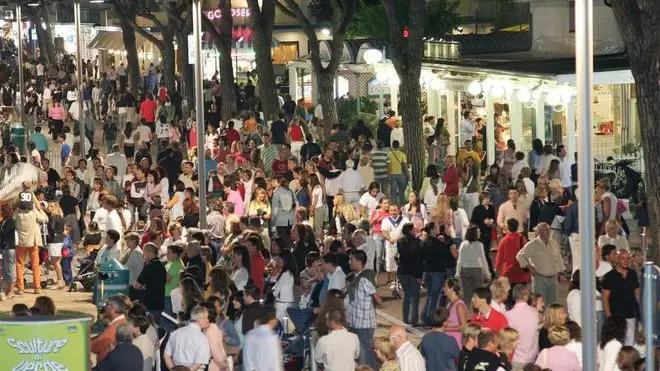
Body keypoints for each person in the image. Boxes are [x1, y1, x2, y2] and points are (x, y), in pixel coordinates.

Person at [346, 249, 382, 369]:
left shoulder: (365, 278)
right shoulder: (355, 277)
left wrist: (370, 308)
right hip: (357, 323)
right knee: (365, 355)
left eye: (351, 259)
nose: (349, 261)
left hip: (364, 324)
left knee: (365, 356)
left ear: (358, 261)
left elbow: (378, 299)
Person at [516, 222, 564, 304]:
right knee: (540, 304)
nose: (546, 232)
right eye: (543, 230)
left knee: (554, 304)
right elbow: (520, 256)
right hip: (540, 279)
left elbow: (558, 258)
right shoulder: (532, 244)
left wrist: (561, 272)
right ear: (538, 232)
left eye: (547, 230)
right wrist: (530, 267)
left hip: (553, 279)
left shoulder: (554, 243)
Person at [602, 249, 640, 346]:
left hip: (631, 314)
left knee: (629, 342)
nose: (626, 261)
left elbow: (637, 294)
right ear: (617, 260)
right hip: (615, 316)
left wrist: (640, 311)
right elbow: (605, 298)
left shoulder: (633, 274)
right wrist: (609, 316)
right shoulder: (609, 276)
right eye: (623, 259)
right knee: (615, 343)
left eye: (627, 259)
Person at [14, 197, 48, 294]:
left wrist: (16, 209)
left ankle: (20, 288)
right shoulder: (34, 212)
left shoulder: (18, 213)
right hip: (33, 241)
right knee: (35, 265)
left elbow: (12, 219)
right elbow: (45, 219)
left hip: (21, 242)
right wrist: (39, 209)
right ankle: (37, 287)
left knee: (20, 264)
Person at [164, 305, 211, 370]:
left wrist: (173, 369)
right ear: (200, 319)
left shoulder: (176, 333)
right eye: (206, 318)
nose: (208, 320)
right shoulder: (202, 338)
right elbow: (199, 362)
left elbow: (166, 355)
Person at [505, 284, 539, 370]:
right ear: (526, 296)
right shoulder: (535, 312)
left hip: (516, 357)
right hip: (532, 356)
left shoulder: (508, 315)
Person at [455, 225, 490, 304]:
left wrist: (457, 272)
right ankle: (476, 314)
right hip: (477, 270)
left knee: (467, 296)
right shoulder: (480, 245)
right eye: (478, 232)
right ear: (474, 233)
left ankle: (465, 313)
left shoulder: (463, 244)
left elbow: (460, 260)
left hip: (465, 270)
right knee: (477, 296)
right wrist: (487, 273)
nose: (480, 233)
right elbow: (483, 260)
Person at [396, 223, 423, 326]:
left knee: (407, 295)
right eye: (414, 229)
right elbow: (419, 260)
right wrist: (419, 276)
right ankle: (414, 320)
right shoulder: (417, 243)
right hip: (414, 272)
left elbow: (402, 255)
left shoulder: (400, 241)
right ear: (410, 231)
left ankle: (405, 318)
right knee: (415, 296)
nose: (415, 230)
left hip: (402, 271)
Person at [242, 306, 284, 371]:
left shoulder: (249, 334)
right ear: (272, 320)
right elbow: (275, 364)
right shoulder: (272, 337)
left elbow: (247, 362)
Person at [134, 243, 167, 323]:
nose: (143, 255)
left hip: (149, 304)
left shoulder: (149, 266)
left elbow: (137, 285)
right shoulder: (161, 266)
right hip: (159, 302)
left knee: (149, 329)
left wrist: (144, 287)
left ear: (149, 252)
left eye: (144, 252)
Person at [92, 295, 129, 362]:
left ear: (112, 308)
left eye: (106, 305)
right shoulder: (123, 321)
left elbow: (95, 347)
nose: (105, 307)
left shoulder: (115, 326)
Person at [495, 218, 530, 288]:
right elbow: (527, 255)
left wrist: (497, 269)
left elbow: (499, 257)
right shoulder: (522, 239)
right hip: (521, 272)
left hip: (508, 272)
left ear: (507, 227)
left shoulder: (504, 240)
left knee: (509, 296)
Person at [0, 204, 16, 300]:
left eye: (2, 210)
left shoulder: (10, 221)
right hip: (3, 248)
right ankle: (6, 289)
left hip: (9, 248)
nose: (0, 212)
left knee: (10, 269)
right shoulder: (3, 221)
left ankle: (12, 291)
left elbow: (4, 234)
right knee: (5, 269)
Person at [388, 141, 408, 206]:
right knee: (401, 191)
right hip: (401, 174)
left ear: (392, 146)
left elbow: (388, 165)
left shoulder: (389, 154)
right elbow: (405, 165)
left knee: (393, 192)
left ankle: (394, 206)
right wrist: (407, 173)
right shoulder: (402, 154)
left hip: (392, 174)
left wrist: (389, 174)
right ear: (399, 146)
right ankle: (402, 205)